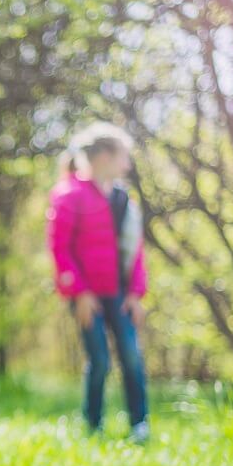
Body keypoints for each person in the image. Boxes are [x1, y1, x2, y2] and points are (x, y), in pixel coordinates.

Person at [46, 122, 150, 443]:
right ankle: (93, 425)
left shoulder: (122, 200)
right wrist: (78, 293)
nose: (128, 165)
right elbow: (60, 248)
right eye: (123, 157)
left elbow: (134, 250)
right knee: (100, 360)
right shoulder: (70, 194)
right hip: (87, 296)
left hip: (119, 295)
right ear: (105, 156)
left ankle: (139, 424)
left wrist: (135, 293)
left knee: (131, 355)